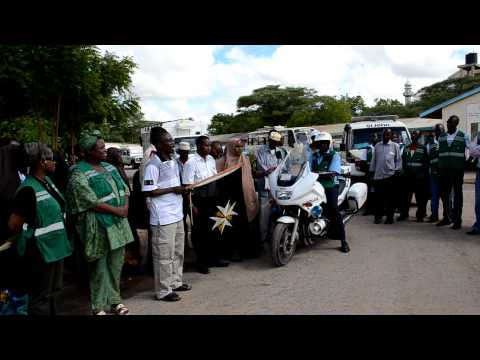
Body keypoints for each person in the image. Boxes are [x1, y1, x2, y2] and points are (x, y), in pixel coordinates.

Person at [66, 131, 134, 315]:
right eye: (101, 148)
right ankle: (98, 306)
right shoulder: (78, 172)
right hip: (97, 225)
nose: (105, 150)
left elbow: (124, 188)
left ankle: (115, 301)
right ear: (88, 152)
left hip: (117, 224)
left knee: (116, 263)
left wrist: (125, 207)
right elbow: (87, 200)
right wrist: (117, 210)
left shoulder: (109, 167)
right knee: (98, 265)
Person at [7, 143, 72, 315]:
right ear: (42, 162)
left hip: (56, 248)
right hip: (40, 251)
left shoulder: (47, 182)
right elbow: (14, 224)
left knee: (54, 292)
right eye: (51, 160)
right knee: (40, 297)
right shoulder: (28, 189)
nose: (55, 163)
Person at [142, 127, 191, 302]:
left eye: (172, 140)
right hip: (163, 218)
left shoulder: (172, 160)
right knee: (164, 255)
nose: (172, 144)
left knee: (178, 251)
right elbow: (149, 191)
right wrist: (174, 189)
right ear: (158, 144)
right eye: (168, 141)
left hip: (176, 214)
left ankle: (176, 282)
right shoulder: (152, 164)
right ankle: (163, 290)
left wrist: (183, 189)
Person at [182, 135, 228, 274]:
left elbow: (214, 178)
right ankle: (200, 261)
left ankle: (213, 258)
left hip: (212, 198)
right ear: (198, 146)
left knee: (213, 229)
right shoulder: (191, 162)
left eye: (209, 145)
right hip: (198, 200)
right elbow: (187, 186)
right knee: (199, 232)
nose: (208, 148)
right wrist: (192, 206)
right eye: (205, 145)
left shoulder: (211, 160)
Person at [217, 138, 260, 260]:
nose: (239, 149)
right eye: (236, 147)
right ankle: (232, 252)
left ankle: (246, 251)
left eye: (241, 147)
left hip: (244, 197)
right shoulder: (221, 162)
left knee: (245, 225)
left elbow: (250, 178)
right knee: (230, 226)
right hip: (229, 199)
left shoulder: (245, 159)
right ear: (230, 147)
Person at [309, 132, 350, 253]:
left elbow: (334, 170)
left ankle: (343, 240)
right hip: (314, 186)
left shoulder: (334, 155)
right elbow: (307, 168)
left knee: (333, 209)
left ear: (328, 144)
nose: (322, 146)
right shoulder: (313, 156)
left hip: (330, 186)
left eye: (324, 143)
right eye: (319, 143)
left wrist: (329, 173)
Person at [251, 131, 285, 244]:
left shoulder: (280, 151)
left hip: (277, 186)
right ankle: (263, 238)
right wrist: (269, 171)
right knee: (264, 213)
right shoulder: (260, 151)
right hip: (265, 186)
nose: (274, 144)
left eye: (276, 142)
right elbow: (261, 167)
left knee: (278, 210)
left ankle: (275, 234)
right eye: (272, 141)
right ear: (269, 140)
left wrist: (280, 170)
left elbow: (284, 165)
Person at [437, 115, 469, 230]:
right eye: (447, 122)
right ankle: (447, 218)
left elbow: (470, 150)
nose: (447, 124)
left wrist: (465, 163)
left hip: (457, 171)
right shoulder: (441, 137)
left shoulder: (463, 136)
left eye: (450, 122)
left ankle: (457, 220)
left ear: (455, 124)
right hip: (444, 171)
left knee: (457, 196)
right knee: (445, 196)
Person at [369, 128, 402, 224]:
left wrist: (396, 171)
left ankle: (389, 217)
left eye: (388, 135)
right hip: (378, 176)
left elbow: (398, 160)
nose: (385, 136)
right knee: (378, 199)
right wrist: (372, 172)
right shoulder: (377, 146)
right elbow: (374, 160)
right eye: (384, 134)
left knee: (390, 199)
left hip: (390, 176)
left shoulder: (395, 146)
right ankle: (378, 217)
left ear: (391, 136)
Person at [397, 131, 429, 222]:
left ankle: (420, 216)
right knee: (405, 198)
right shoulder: (406, 148)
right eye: (412, 134)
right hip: (408, 177)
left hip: (419, 178)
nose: (413, 135)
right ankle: (404, 214)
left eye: (415, 134)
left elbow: (426, 163)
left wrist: (423, 175)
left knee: (420, 198)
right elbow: (403, 162)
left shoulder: (423, 148)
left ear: (419, 136)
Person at [426, 124, 448, 223]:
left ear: (444, 131)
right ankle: (434, 215)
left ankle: (447, 217)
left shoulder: (448, 141)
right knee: (434, 197)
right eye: (437, 131)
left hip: (444, 175)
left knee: (446, 198)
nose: (438, 133)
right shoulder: (430, 144)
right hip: (433, 175)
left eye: (440, 131)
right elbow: (429, 159)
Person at [467, 131, 480, 235]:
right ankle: (478, 226)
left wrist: (478, 148)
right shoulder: (479, 135)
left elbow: (476, 150)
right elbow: (472, 151)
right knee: (478, 202)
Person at [363, 133, 379, 216]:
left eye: (375, 136)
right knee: (369, 192)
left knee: (377, 192)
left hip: (379, 173)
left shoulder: (380, 147)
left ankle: (378, 210)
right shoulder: (367, 149)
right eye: (372, 136)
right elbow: (364, 161)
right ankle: (368, 210)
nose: (373, 138)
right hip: (369, 174)